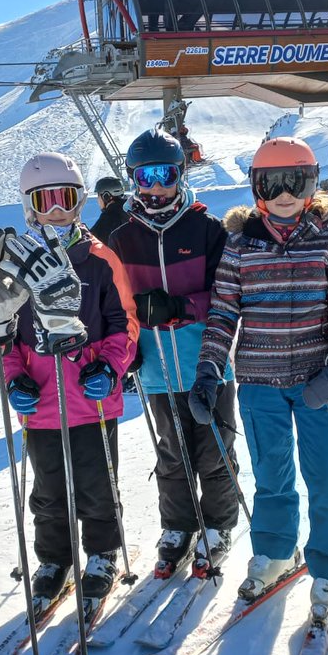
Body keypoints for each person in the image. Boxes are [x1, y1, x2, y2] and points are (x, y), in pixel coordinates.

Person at [190, 136, 328, 622]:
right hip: (259, 381)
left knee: (327, 475)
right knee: (271, 472)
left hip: (316, 382)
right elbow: (223, 313)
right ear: (258, 187)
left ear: (311, 185)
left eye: (297, 181)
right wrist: (208, 370)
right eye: (274, 182)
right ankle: (276, 551)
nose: (286, 193)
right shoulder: (241, 244)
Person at [0, 152, 138, 612]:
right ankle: (53, 560)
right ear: (28, 206)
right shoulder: (12, 266)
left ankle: (102, 554)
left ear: (80, 202)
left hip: (91, 397)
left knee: (97, 483)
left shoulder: (99, 259)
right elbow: (2, 334)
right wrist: (12, 379)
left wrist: (109, 368)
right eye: (43, 200)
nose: (55, 210)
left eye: (64, 199)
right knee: (48, 488)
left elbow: (123, 322)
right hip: (41, 401)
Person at [107, 128, 239, 577]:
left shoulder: (206, 229)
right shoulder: (123, 240)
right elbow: (116, 306)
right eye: (146, 177)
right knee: (171, 450)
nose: (157, 187)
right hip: (157, 369)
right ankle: (177, 526)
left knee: (213, 448)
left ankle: (218, 525)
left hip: (207, 363)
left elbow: (228, 295)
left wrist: (181, 307)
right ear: (133, 181)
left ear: (180, 175)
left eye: (166, 175)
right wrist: (126, 352)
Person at [89, 174, 129, 244]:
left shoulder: (108, 219)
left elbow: (90, 243)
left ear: (106, 196)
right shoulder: (131, 213)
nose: (98, 200)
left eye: (98, 195)